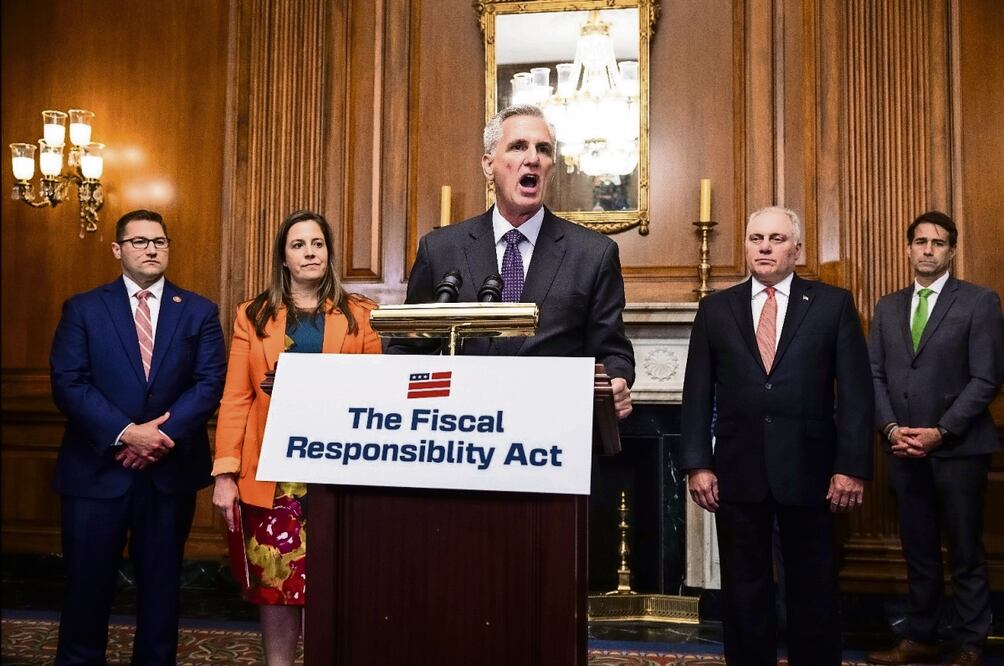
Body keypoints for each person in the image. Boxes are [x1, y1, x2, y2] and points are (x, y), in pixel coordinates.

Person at [679, 206, 873, 665]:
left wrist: (850, 468)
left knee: (813, 586)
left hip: (811, 470)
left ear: (797, 250)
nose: (764, 247)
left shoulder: (833, 304)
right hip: (736, 469)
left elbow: (857, 395)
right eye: (756, 238)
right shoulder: (715, 309)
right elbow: (696, 392)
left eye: (776, 239)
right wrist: (697, 463)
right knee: (744, 589)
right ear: (745, 246)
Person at [49, 209, 227, 665]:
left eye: (160, 242)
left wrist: (156, 438)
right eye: (140, 241)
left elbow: (209, 384)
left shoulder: (200, 311)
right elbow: (69, 381)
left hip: (167, 475)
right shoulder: (84, 308)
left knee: (161, 590)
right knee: (86, 590)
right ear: (117, 249)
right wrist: (127, 433)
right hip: (94, 473)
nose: (151, 249)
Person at [386, 103, 635, 418]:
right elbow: (407, 350)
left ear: (551, 168)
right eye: (518, 147)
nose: (532, 158)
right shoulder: (441, 249)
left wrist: (617, 380)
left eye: (543, 150)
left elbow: (613, 352)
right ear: (489, 165)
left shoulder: (594, 254)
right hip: (462, 432)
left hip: (552, 432)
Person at [211, 209, 381, 666]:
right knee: (276, 585)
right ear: (283, 258)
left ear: (329, 252)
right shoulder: (255, 315)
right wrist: (225, 473)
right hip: (273, 475)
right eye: (298, 245)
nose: (310, 252)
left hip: (339, 473)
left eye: (318, 244)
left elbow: (377, 394)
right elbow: (236, 398)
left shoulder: (360, 315)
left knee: (336, 583)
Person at [866, 211, 1004, 666]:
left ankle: (970, 643)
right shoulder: (887, 307)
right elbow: (874, 376)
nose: (928, 249)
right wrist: (890, 429)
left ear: (952, 251)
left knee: (964, 548)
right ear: (907, 248)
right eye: (920, 241)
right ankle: (921, 636)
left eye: (938, 243)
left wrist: (940, 432)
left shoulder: (979, 302)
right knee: (918, 548)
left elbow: (987, 379)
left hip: (959, 449)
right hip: (903, 449)